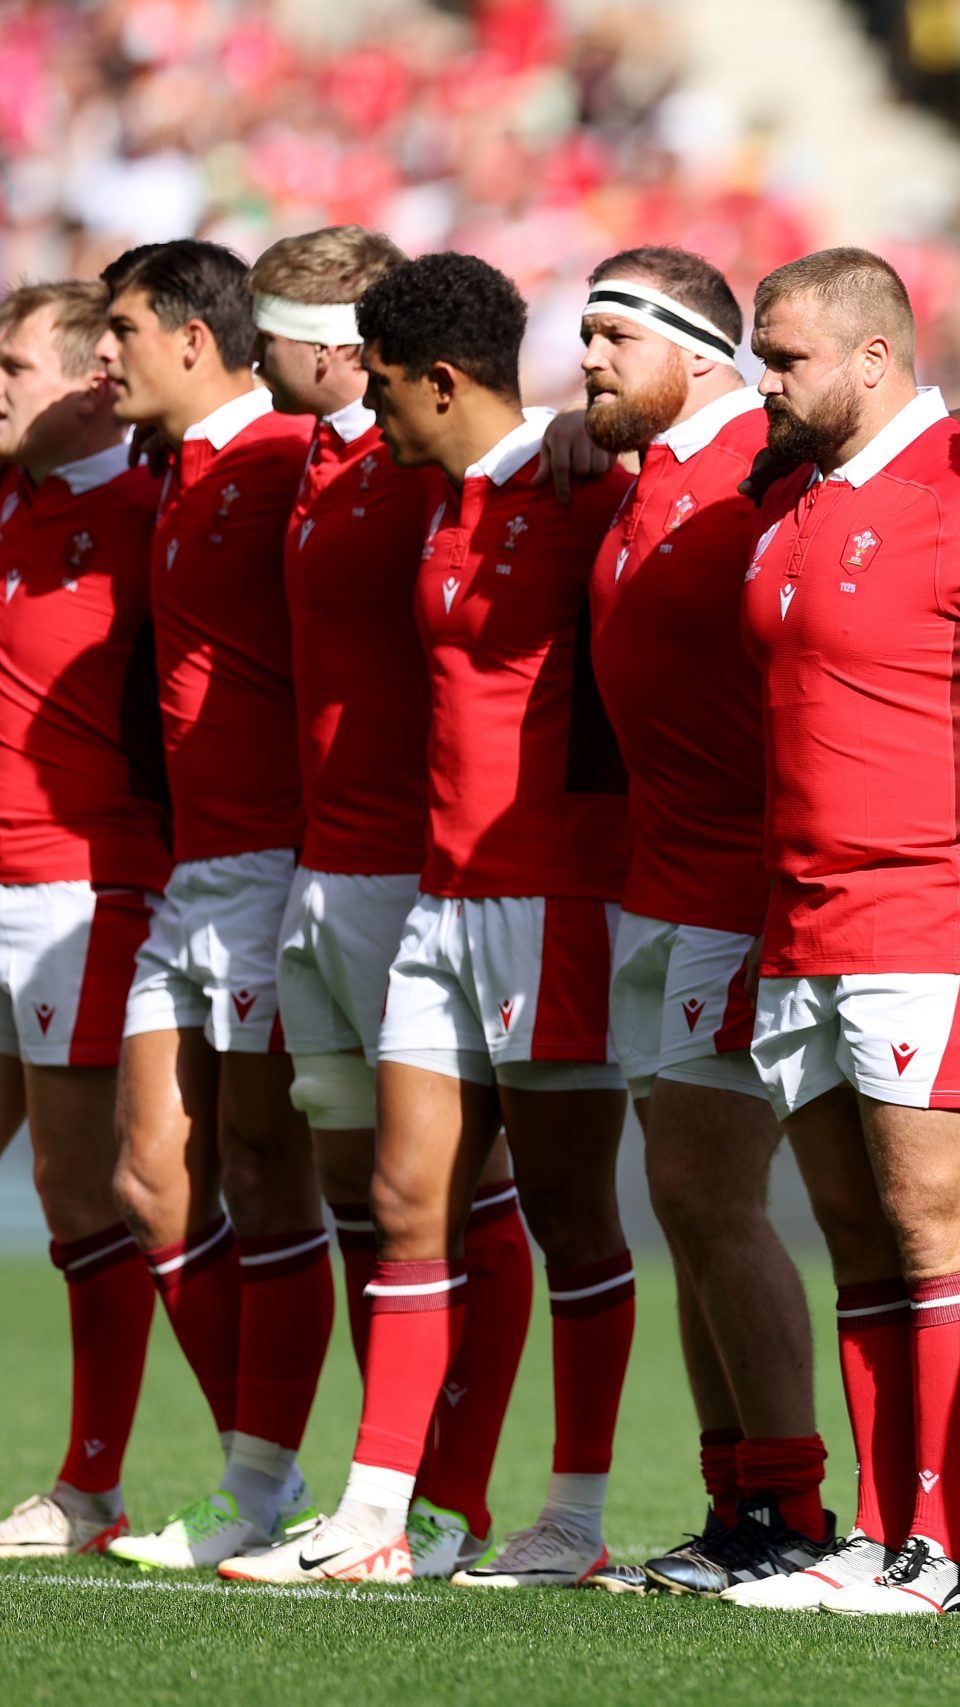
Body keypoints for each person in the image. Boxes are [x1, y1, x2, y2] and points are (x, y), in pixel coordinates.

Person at [223, 253, 637, 1587]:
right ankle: (378, 1509)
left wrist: (594, 424)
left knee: (572, 1210)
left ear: (441, 380)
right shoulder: (433, 491)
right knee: (407, 1197)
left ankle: (571, 1511)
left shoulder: (590, 487)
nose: (369, 410)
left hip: (557, 897)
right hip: (437, 899)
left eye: (388, 388)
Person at [719, 246, 960, 1619]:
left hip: (932, 903)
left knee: (932, 1228)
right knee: (854, 1233)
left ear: (871, 356)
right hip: (797, 914)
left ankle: (943, 1547)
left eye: (787, 357)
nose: (765, 381)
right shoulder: (791, 501)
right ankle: (874, 1528)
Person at [250, 225, 535, 1580]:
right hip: (332, 868)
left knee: (481, 1198)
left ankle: (454, 1494)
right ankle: (386, 1487)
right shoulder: (313, 459)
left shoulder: (436, 468)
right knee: (373, 1196)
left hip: (441, 874)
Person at [561, 247, 832, 1596]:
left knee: (714, 1194)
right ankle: (737, 1504)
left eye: (613, 335)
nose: (589, 358)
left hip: (740, 886)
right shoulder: (646, 472)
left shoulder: (769, 465)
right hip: (655, 884)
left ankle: (792, 1508)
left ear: (702, 349)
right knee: (682, 1199)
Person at [95, 240, 326, 1570]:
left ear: (195, 336)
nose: (103, 353)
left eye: (120, 328)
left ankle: (268, 1482)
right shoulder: (169, 471)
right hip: (194, 870)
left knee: (263, 1170)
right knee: (150, 1179)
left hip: (284, 868)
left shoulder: (287, 461)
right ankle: (262, 1468)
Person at [0, 281, 167, 1558]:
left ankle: (93, 1489)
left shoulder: (149, 513)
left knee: (77, 1186)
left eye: (13, 366)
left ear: (88, 385)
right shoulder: (14, 503)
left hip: (81, 885)